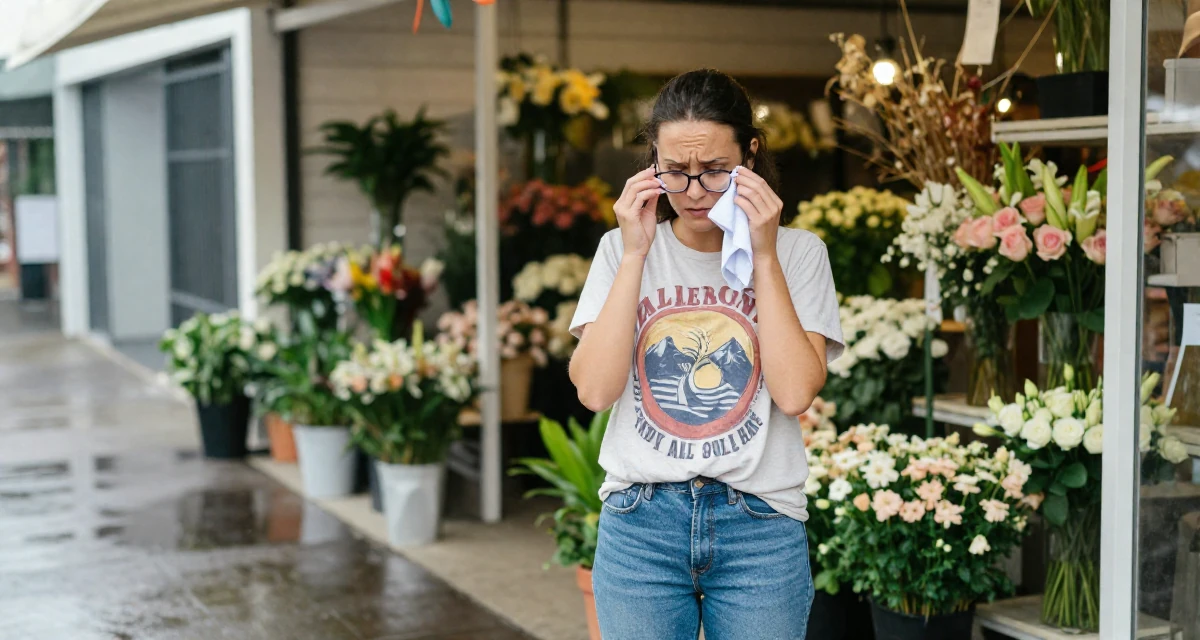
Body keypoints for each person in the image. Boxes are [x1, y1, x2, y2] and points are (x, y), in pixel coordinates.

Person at [567, 69, 844, 640]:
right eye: (675, 171)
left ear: (751, 154)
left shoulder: (798, 253)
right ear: (652, 163)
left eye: (716, 171)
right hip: (641, 523)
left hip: (760, 526)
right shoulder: (621, 249)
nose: (694, 191)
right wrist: (633, 256)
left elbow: (795, 393)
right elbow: (594, 391)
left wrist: (763, 256)